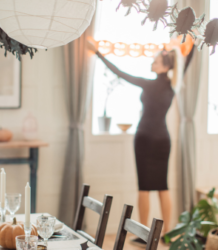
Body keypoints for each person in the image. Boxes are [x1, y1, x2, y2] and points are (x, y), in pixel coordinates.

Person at [87, 40, 185, 247]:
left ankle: (145, 234)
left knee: (144, 187)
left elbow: (121, 73)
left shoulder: (150, 84)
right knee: (163, 186)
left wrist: (98, 53)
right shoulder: (172, 85)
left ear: (166, 65)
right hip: (163, 140)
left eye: (156, 61)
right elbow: (188, 61)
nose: (152, 62)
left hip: (145, 139)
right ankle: (167, 233)